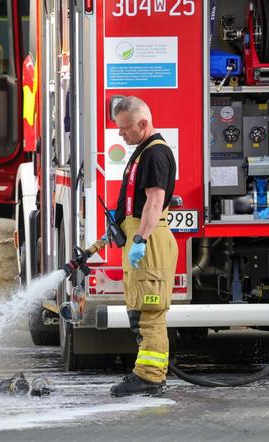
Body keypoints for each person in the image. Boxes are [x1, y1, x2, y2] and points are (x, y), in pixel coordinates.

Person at [109, 96, 177, 397]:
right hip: (139, 235)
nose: (120, 134)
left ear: (143, 123)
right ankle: (147, 374)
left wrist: (140, 239)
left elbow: (155, 200)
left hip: (147, 241)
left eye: (124, 128)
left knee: (148, 313)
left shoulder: (155, 154)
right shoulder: (143, 152)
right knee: (140, 311)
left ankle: (149, 377)